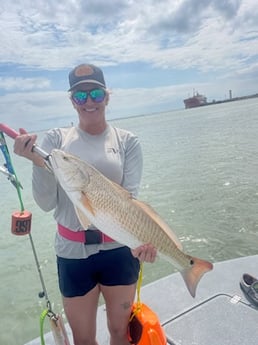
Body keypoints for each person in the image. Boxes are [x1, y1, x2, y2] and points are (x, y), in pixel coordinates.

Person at [14, 63, 157, 345]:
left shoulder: (127, 141)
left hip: (119, 249)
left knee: (120, 332)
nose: (89, 101)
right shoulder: (56, 141)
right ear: (71, 101)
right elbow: (44, 204)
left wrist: (144, 240)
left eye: (95, 93)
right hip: (72, 253)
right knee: (83, 338)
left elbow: (130, 201)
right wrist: (35, 162)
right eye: (80, 96)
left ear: (107, 96)